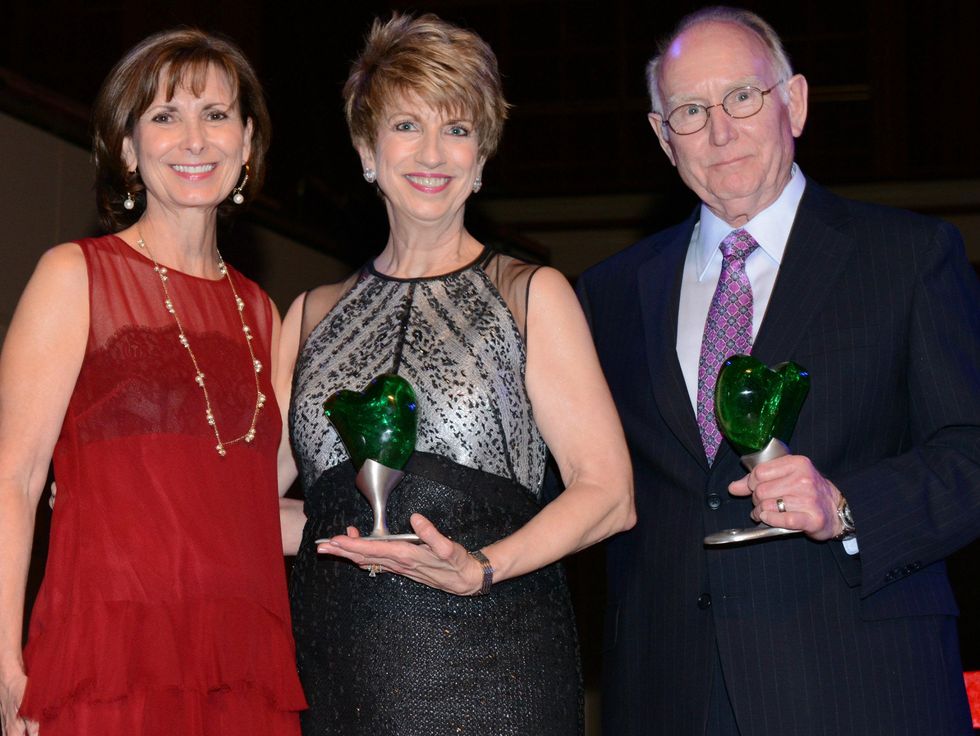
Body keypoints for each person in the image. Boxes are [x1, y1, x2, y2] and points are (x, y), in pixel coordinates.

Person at [576, 6, 980, 736]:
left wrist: (846, 505)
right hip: (668, 693)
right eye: (690, 111)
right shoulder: (608, 292)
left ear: (793, 102)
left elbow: (971, 456)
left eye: (742, 97)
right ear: (663, 137)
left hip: (861, 687)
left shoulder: (909, 257)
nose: (720, 131)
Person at [275, 13, 635, 735]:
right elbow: (246, 511)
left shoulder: (530, 296)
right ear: (366, 149)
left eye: (458, 129)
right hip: (336, 674)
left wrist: (481, 567)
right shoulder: (309, 315)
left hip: (494, 667)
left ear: (482, 157)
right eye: (407, 126)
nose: (433, 153)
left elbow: (609, 494)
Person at [0, 29, 306, 736]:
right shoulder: (75, 276)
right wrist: (7, 665)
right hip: (107, 665)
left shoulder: (262, 313)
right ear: (129, 149)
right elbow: (14, 478)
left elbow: (246, 508)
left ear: (247, 142)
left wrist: (392, 526)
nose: (194, 139)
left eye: (216, 114)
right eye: (166, 116)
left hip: (241, 671)